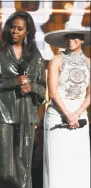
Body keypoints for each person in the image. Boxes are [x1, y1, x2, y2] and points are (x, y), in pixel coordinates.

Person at [0, 11, 46, 188]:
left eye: (20, 28)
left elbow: (42, 88)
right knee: (2, 164)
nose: (15, 31)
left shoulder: (35, 56)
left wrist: (31, 87)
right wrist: (12, 82)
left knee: (23, 163)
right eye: (12, 27)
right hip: (0, 113)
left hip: (26, 113)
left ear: (27, 31)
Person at [43, 26, 90, 188]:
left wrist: (77, 113)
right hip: (58, 113)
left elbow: (90, 93)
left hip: (80, 114)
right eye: (68, 36)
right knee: (58, 162)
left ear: (82, 39)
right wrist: (68, 114)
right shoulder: (56, 60)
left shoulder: (90, 63)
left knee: (79, 162)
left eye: (75, 36)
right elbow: (53, 92)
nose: (71, 39)